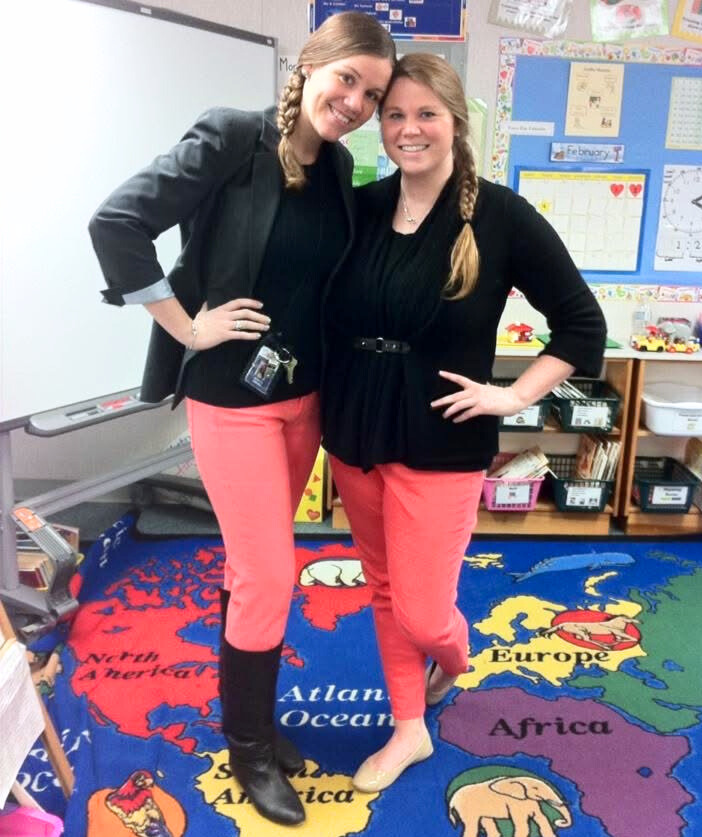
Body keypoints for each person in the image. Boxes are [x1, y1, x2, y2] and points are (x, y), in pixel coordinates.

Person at [88, 13, 394, 826]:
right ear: (312, 64)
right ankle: (249, 748)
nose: (357, 102)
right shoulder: (232, 138)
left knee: (249, 571)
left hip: (301, 400)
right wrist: (188, 326)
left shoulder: (335, 167)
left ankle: (255, 721)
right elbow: (117, 222)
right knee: (268, 572)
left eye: (373, 93)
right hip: (232, 398)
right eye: (348, 80)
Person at [320, 54, 607, 793]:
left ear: (456, 122)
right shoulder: (363, 204)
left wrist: (512, 399)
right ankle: (410, 728)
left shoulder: (500, 216)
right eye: (394, 115)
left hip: (443, 441)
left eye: (425, 115)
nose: (408, 129)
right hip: (356, 429)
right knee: (383, 587)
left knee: (422, 611)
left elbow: (581, 327)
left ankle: (455, 654)